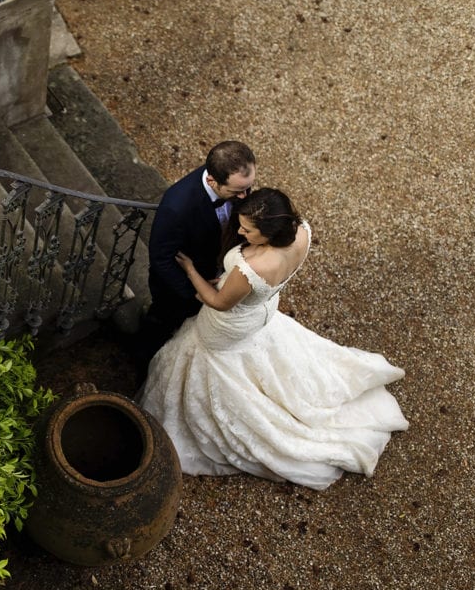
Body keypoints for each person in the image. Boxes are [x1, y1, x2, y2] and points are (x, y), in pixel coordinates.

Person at [136, 188, 408, 491]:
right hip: (260, 310)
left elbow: (217, 301)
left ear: (268, 233)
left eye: (247, 230)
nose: (239, 231)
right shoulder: (301, 231)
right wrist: (230, 282)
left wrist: (189, 271)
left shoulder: (253, 267)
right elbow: (238, 288)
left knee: (206, 354)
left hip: (228, 325)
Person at [142, 141, 257, 361]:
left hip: (215, 272)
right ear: (212, 180)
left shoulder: (235, 182)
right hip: (178, 291)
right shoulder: (176, 207)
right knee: (161, 327)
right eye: (238, 191)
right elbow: (160, 259)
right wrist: (195, 292)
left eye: (248, 187)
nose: (245, 197)